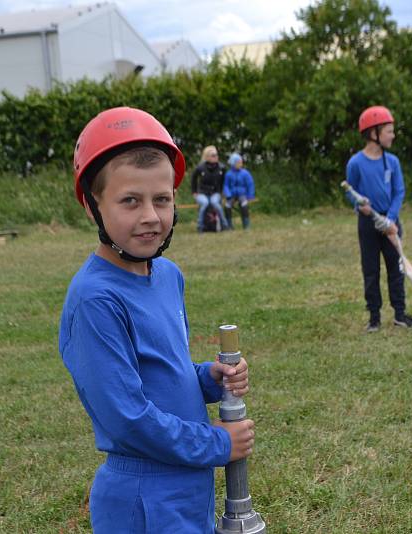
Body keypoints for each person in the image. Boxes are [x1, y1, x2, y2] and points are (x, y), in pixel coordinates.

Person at [58, 107, 254, 533]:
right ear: (92, 207)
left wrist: (209, 378)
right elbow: (128, 418)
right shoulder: (95, 300)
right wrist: (217, 442)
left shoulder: (167, 275)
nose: (151, 216)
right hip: (143, 492)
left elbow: (165, 371)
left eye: (161, 199)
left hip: (188, 482)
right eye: (130, 200)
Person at [345, 105, 412, 333]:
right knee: (371, 270)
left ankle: (400, 314)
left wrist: (391, 219)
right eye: (389, 130)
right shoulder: (356, 163)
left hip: (391, 223)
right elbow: (350, 191)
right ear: (373, 133)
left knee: (396, 270)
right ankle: (374, 317)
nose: (393, 135)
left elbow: (399, 191)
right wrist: (360, 206)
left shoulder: (393, 162)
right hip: (368, 225)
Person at [190, 145, 229, 232]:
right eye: (213, 155)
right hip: (202, 193)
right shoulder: (200, 167)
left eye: (216, 155)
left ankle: (225, 225)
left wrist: (223, 194)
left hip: (215, 193)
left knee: (215, 203)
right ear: (207, 157)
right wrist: (194, 192)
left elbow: (225, 181)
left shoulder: (222, 168)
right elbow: (193, 178)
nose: (216, 157)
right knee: (205, 203)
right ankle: (200, 227)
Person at [223, 152, 255, 229]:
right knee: (227, 206)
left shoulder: (245, 173)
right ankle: (229, 225)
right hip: (232, 195)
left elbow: (250, 184)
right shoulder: (228, 174)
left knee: (244, 205)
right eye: (238, 162)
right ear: (233, 163)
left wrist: (250, 195)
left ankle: (246, 225)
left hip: (242, 194)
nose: (240, 164)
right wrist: (228, 194)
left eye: (241, 162)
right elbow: (226, 185)